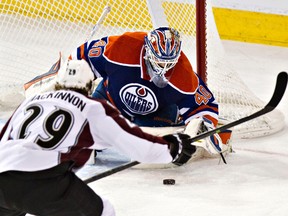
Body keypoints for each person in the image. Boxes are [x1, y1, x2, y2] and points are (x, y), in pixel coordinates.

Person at [0, 58, 197, 216]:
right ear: (88, 87)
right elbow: (132, 142)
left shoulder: (32, 100)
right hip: (43, 178)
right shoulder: (90, 107)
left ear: (58, 83)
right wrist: (171, 149)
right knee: (103, 211)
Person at [24, 27, 232, 160]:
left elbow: (205, 105)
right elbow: (81, 57)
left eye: (170, 62)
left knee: (164, 149)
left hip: (154, 116)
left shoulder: (184, 76)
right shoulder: (121, 48)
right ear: (147, 50)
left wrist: (202, 127)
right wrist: (69, 84)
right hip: (109, 100)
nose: (164, 67)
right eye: (160, 61)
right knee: (75, 126)